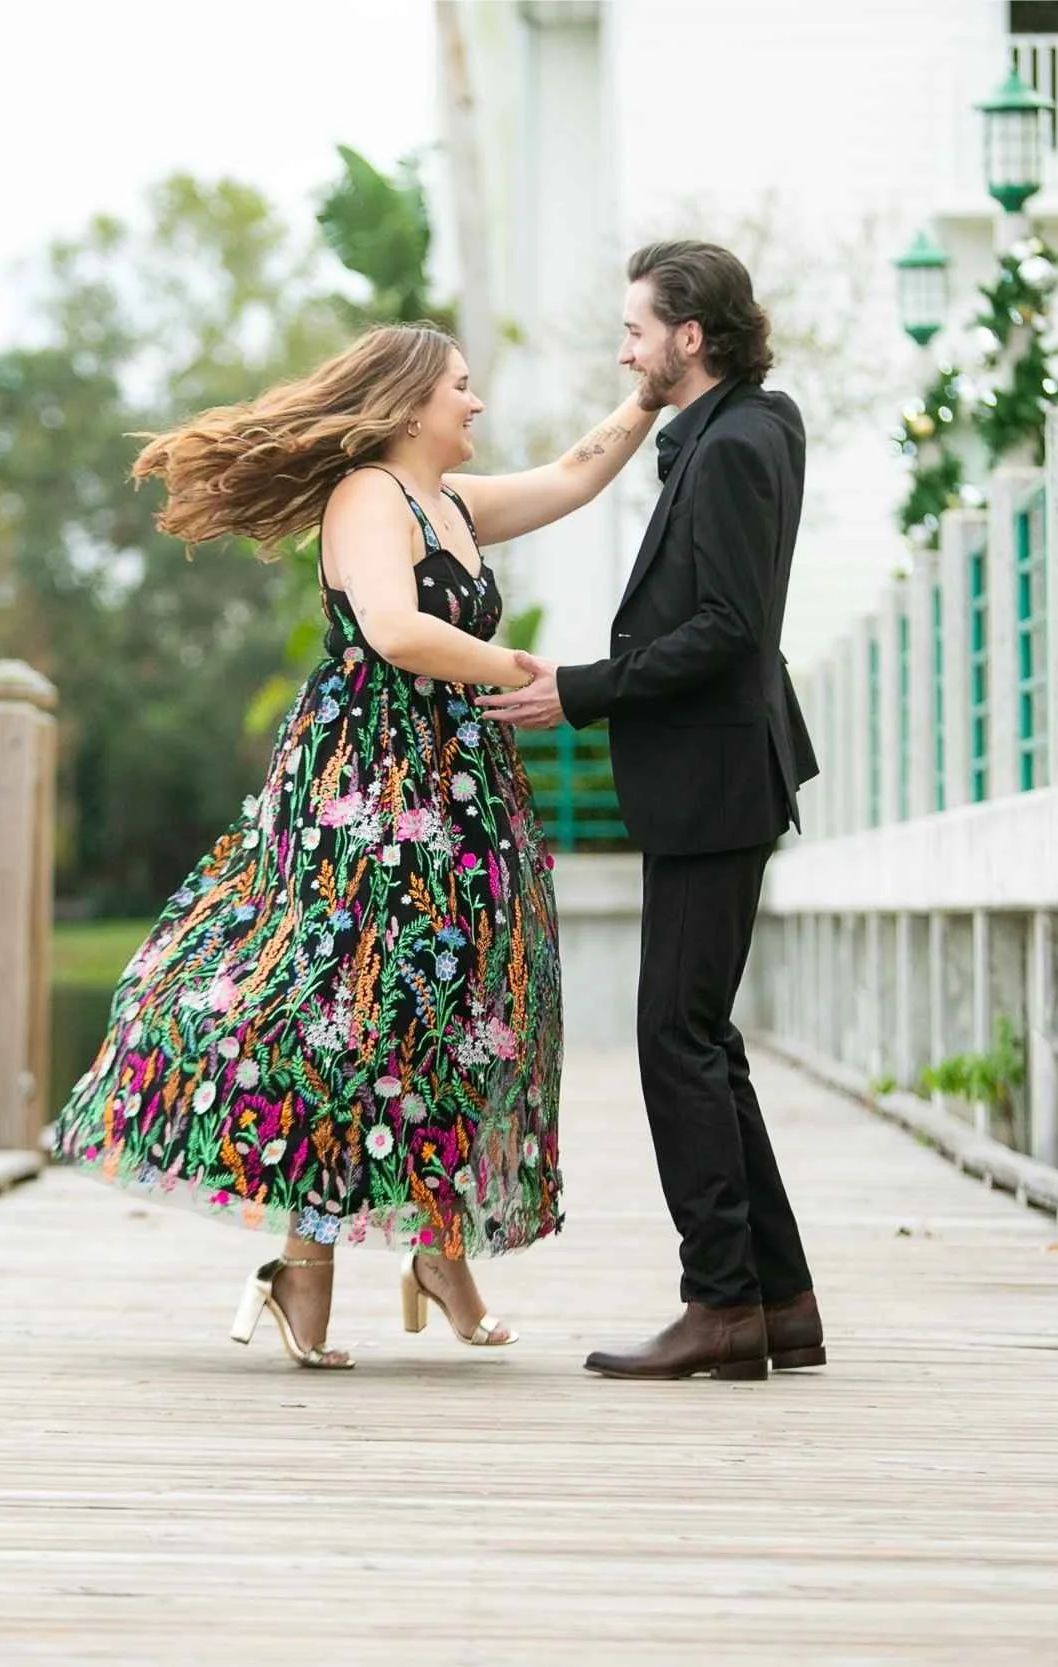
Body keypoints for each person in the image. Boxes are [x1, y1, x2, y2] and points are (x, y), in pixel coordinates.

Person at [49, 323, 658, 1368]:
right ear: (412, 400)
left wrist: (649, 400)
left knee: (462, 1008)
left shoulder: (452, 506)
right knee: (352, 1011)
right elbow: (392, 627)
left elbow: (568, 476)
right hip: (369, 794)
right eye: (462, 388)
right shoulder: (369, 495)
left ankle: (430, 1245)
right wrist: (520, 666)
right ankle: (317, 1259)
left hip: (457, 788)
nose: (474, 404)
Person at [481, 241, 823, 1382]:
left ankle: (719, 1302)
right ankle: (777, 1301)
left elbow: (726, 628)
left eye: (635, 328)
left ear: (691, 334)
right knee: (704, 1040)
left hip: (714, 779)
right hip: (724, 776)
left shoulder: (731, 447)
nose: (623, 347)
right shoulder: (742, 431)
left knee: (673, 1041)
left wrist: (578, 689)